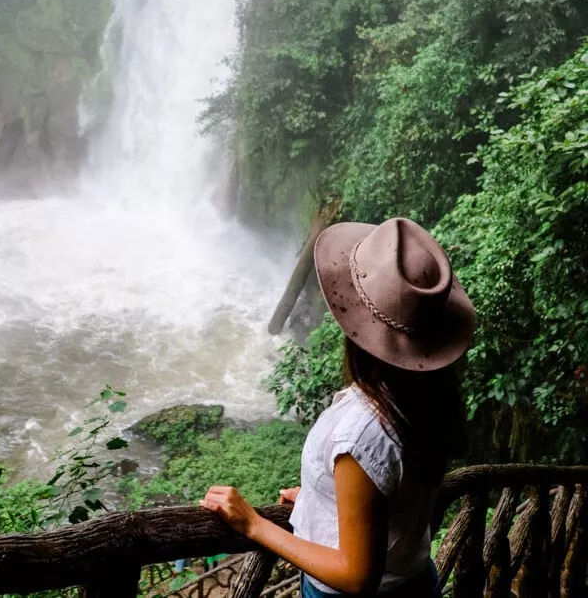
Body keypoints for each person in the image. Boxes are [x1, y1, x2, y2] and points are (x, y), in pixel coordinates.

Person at [201, 217, 475, 597]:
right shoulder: (430, 398)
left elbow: (357, 576)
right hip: (415, 578)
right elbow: (394, 495)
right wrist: (321, 498)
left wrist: (255, 525)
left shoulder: (363, 430)